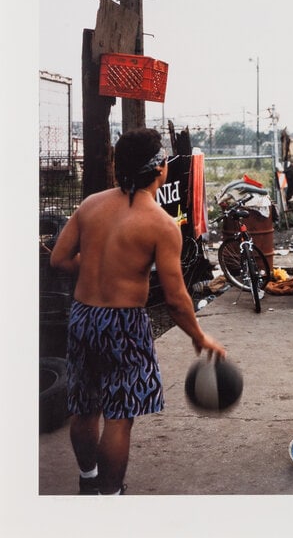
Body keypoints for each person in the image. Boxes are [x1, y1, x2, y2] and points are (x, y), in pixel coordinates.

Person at [50, 128, 227, 495]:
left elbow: (59, 258)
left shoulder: (91, 205)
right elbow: (177, 299)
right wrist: (200, 337)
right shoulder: (162, 225)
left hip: (83, 317)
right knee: (119, 417)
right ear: (161, 168)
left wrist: (98, 265)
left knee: (85, 408)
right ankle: (111, 498)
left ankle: (88, 482)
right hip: (124, 324)